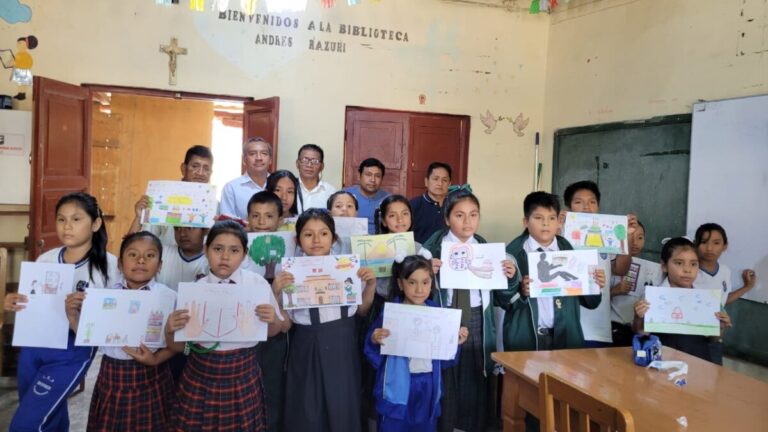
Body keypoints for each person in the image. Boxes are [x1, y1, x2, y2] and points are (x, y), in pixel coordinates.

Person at [3, 192, 119, 431]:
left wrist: (78, 316)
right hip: (35, 344)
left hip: (71, 350)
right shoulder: (46, 259)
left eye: (76, 219)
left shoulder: (110, 266)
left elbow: (112, 320)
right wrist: (14, 302)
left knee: (27, 423)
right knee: (46, 412)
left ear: (95, 223)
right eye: (61, 219)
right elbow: (32, 300)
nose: (67, 226)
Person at [165, 220, 287, 431]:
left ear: (245, 254)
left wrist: (274, 321)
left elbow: (274, 330)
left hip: (242, 376)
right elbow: (178, 346)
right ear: (206, 250)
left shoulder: (257, 285)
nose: (224, 257)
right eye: (217, 249)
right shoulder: (194, 290)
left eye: (234, 250)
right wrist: (169, 329)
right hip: (200, 376)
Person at [422, 188, 517, 432]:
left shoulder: (486, 248)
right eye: (460, 215)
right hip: (444, 318)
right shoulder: (431, 249)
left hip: (477, 318)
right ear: (446, 219)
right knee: (447, 376)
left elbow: (503, 298)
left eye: (473, 215)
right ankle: (446, 426)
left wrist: (510, 277)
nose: (468, 222)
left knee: (477, 374)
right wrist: (426, 274)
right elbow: (416, 293)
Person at [273, 209, 377, 432]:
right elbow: (287, 323)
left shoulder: (348, 267)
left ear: (334, 238)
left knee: (342, 403)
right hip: (305, 343)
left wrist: (370, 286)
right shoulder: (287, 271)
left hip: (342, 342)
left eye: (323, 233)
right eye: (308, 234)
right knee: (306, 404)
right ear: (298, 239)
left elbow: (361, 310)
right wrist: (275, 294)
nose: (316, 240)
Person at [365, 254, 469, 432]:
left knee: (425, 427)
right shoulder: (391, 314)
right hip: (397, 387)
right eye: (412, 282)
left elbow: (445, 361)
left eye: (425, 282)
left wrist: (455, 342)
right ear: (400, 283)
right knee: (394, 426)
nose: (419, 289)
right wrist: (375, 339)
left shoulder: (437, 313)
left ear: (432, 283)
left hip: (427, 385)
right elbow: (373, 355)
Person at [87, 232, 178, 431]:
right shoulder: (106, 296)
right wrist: (74, 317)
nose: (141, 260)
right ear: (120, 264)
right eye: (133, 254)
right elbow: (90, 333)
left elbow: (179, 345)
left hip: (153, 376)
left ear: (160, 265)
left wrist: (155, 359)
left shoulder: (169, 297)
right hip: (113, 375)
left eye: (150, 255)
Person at [503, 191, 606, 352]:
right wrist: (522, 292)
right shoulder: (512, 254)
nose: (546, 224)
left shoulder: (570, 250)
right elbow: (502, 301)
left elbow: (591, 303)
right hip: (527, 340)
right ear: (525, 222)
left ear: (559, 222)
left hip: (566, 339)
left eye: (552, 218)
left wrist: (595, 285)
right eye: (538, 218)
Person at [633, 237, 732, 363]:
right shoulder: (652, 297)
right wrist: (638, 317)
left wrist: (720, 327)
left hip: (698, 364)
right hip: (662, 364)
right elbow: (641, 332)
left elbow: (712, 339)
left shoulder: (706, 299)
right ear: (664, 266)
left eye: (693, 264)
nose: (687, 270)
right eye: (679, 263)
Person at [562, 180, 636, 347]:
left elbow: (621, 269)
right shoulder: (559, 233)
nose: (586, 207)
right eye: (579, 202)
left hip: (599, 326)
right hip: (566, 326)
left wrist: (628, 237)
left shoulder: (607, 235)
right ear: (568, 208)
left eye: (592, 202)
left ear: (598, 206)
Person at [242, 191, 293, 432]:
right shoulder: (238, 252)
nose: (262, 223)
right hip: (245, 334)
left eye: (269, 216)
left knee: (272, 389)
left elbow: (287, 317)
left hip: (276, 336)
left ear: (280, 220)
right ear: (247, 219)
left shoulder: (290, 252)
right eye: (256, 216)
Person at [693, 223, 757, 364]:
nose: (709, 248)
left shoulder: (724, 271)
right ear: (695, 244)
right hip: (691, 336)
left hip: (714, 338)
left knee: (714, 378)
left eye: (716, 243)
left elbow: (721, 300)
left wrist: (747, 287)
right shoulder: (690, 271)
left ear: (725, 246)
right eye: (703, 242)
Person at [129, 145, 214, 246]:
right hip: (166, 260)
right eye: (195, 166)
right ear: (183, 168)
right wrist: (139, 217)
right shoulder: (161, 199)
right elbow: (138, 246)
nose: (200, 173)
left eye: (206, 168)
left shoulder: (214, 206)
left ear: (211, 173)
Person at [609, 221, 661, 346]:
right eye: (630, 237)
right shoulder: (610, 263)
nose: (635, 242)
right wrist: (615, 291)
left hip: (637, 329)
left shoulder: (653, 270)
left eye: (640, 237)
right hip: (612, 327)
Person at [220, 137, 273, 220]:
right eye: (252, 153)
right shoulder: (231, 188)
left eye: (264, 153)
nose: (259, 158)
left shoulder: (278, 184)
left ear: (270, 160)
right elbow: (226, 224)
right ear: (244, 160)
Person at [345, 158, 390, 234]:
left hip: (379, 243)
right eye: (368, 175)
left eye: (377, 176)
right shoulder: (345, 195)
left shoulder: (388, 200)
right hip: (349, 241)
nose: (372, 180)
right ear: (359, 176)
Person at [410, 163, 451, 244]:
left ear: (449, 184)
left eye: (444, 180)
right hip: (420, 255)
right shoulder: (413, 206)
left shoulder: (454, 206)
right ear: (426, 181)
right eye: (436, 179)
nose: (440, 183)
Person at [295, 144, 336, 213]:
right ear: (297, 163)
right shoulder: (290, 188)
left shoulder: (330, 191)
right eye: (305, 160)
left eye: (315, 161)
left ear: (322, 166)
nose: (309, 165)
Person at [11, 35, 38, 100]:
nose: (18, 45)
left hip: (24, 71)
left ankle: (22, 95)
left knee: (23, 85)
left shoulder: (26, 55)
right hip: (20, 70)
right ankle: (20, 94)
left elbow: (29, 63)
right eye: (18, 43)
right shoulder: (19, 53)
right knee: (20, 84)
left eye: (20, 43)